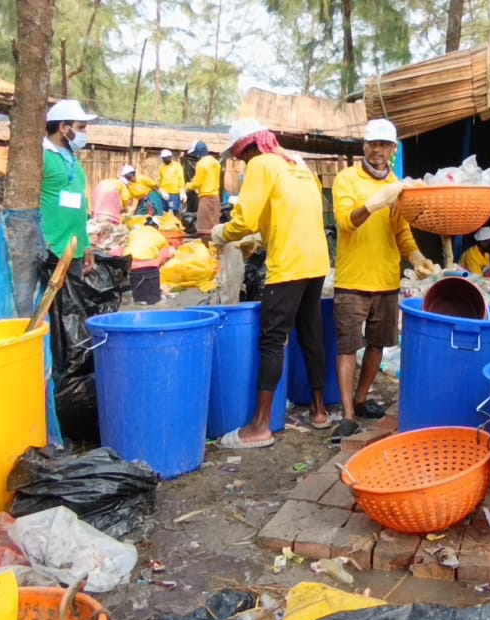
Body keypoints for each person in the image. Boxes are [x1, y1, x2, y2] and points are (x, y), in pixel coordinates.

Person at [211, 119, 331, 447]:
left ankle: (260, 426)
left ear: (249, 147)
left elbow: (245, 218)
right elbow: (296, 212)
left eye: (241, 156)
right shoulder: (299, 165)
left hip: (289, 264)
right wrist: (263, 237)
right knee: (311, 333)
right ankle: (319, 412)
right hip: (316, 260)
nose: (243, 162)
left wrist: (222, 233)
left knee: (272, 339)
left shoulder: (262, 164)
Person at [331, 118, 438, 441]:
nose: (378, 150)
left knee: (378, 345)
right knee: (348, 347)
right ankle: (348, 415)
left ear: (393, 150)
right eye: (372, 144)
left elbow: (402, 232)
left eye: (384, 145)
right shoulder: (346, 179)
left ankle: (362, 399)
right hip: (352, 280)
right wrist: (376, 202)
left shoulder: (396, 184)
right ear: (364, 146)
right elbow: (346, 222)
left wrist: (418, 258)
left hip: (387, 280)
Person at [43, 99, 97, 274]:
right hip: (50, 250)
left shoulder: (73, 159)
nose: (84, 133)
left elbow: (79, 204)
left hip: (74, 248)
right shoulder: (43, 157)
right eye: (80, 127)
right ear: (64, 128)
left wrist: (85, 245)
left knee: (71, 300)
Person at [185, 141, 222, 241]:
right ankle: (215, 249)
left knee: (204, 228)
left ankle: (206, 250)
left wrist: (188, 186)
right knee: (215, 226)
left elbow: (197, 183)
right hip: (216, 197)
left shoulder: (201, 164)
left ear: (198, 151)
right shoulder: (216, 162)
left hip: (206, 198)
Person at [158, 149, 186, 215]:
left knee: (175, 210)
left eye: (165, 158)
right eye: (163, 158)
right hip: (165, 193)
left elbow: (181, 178)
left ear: (170, 157)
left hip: (174, 193)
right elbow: (159, 179)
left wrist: (182, 190)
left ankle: (178, 223)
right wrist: (161, 190)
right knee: (164, 210)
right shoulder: (161, 167)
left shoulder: (177, 166)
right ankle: (166, 223)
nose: (164, 160)